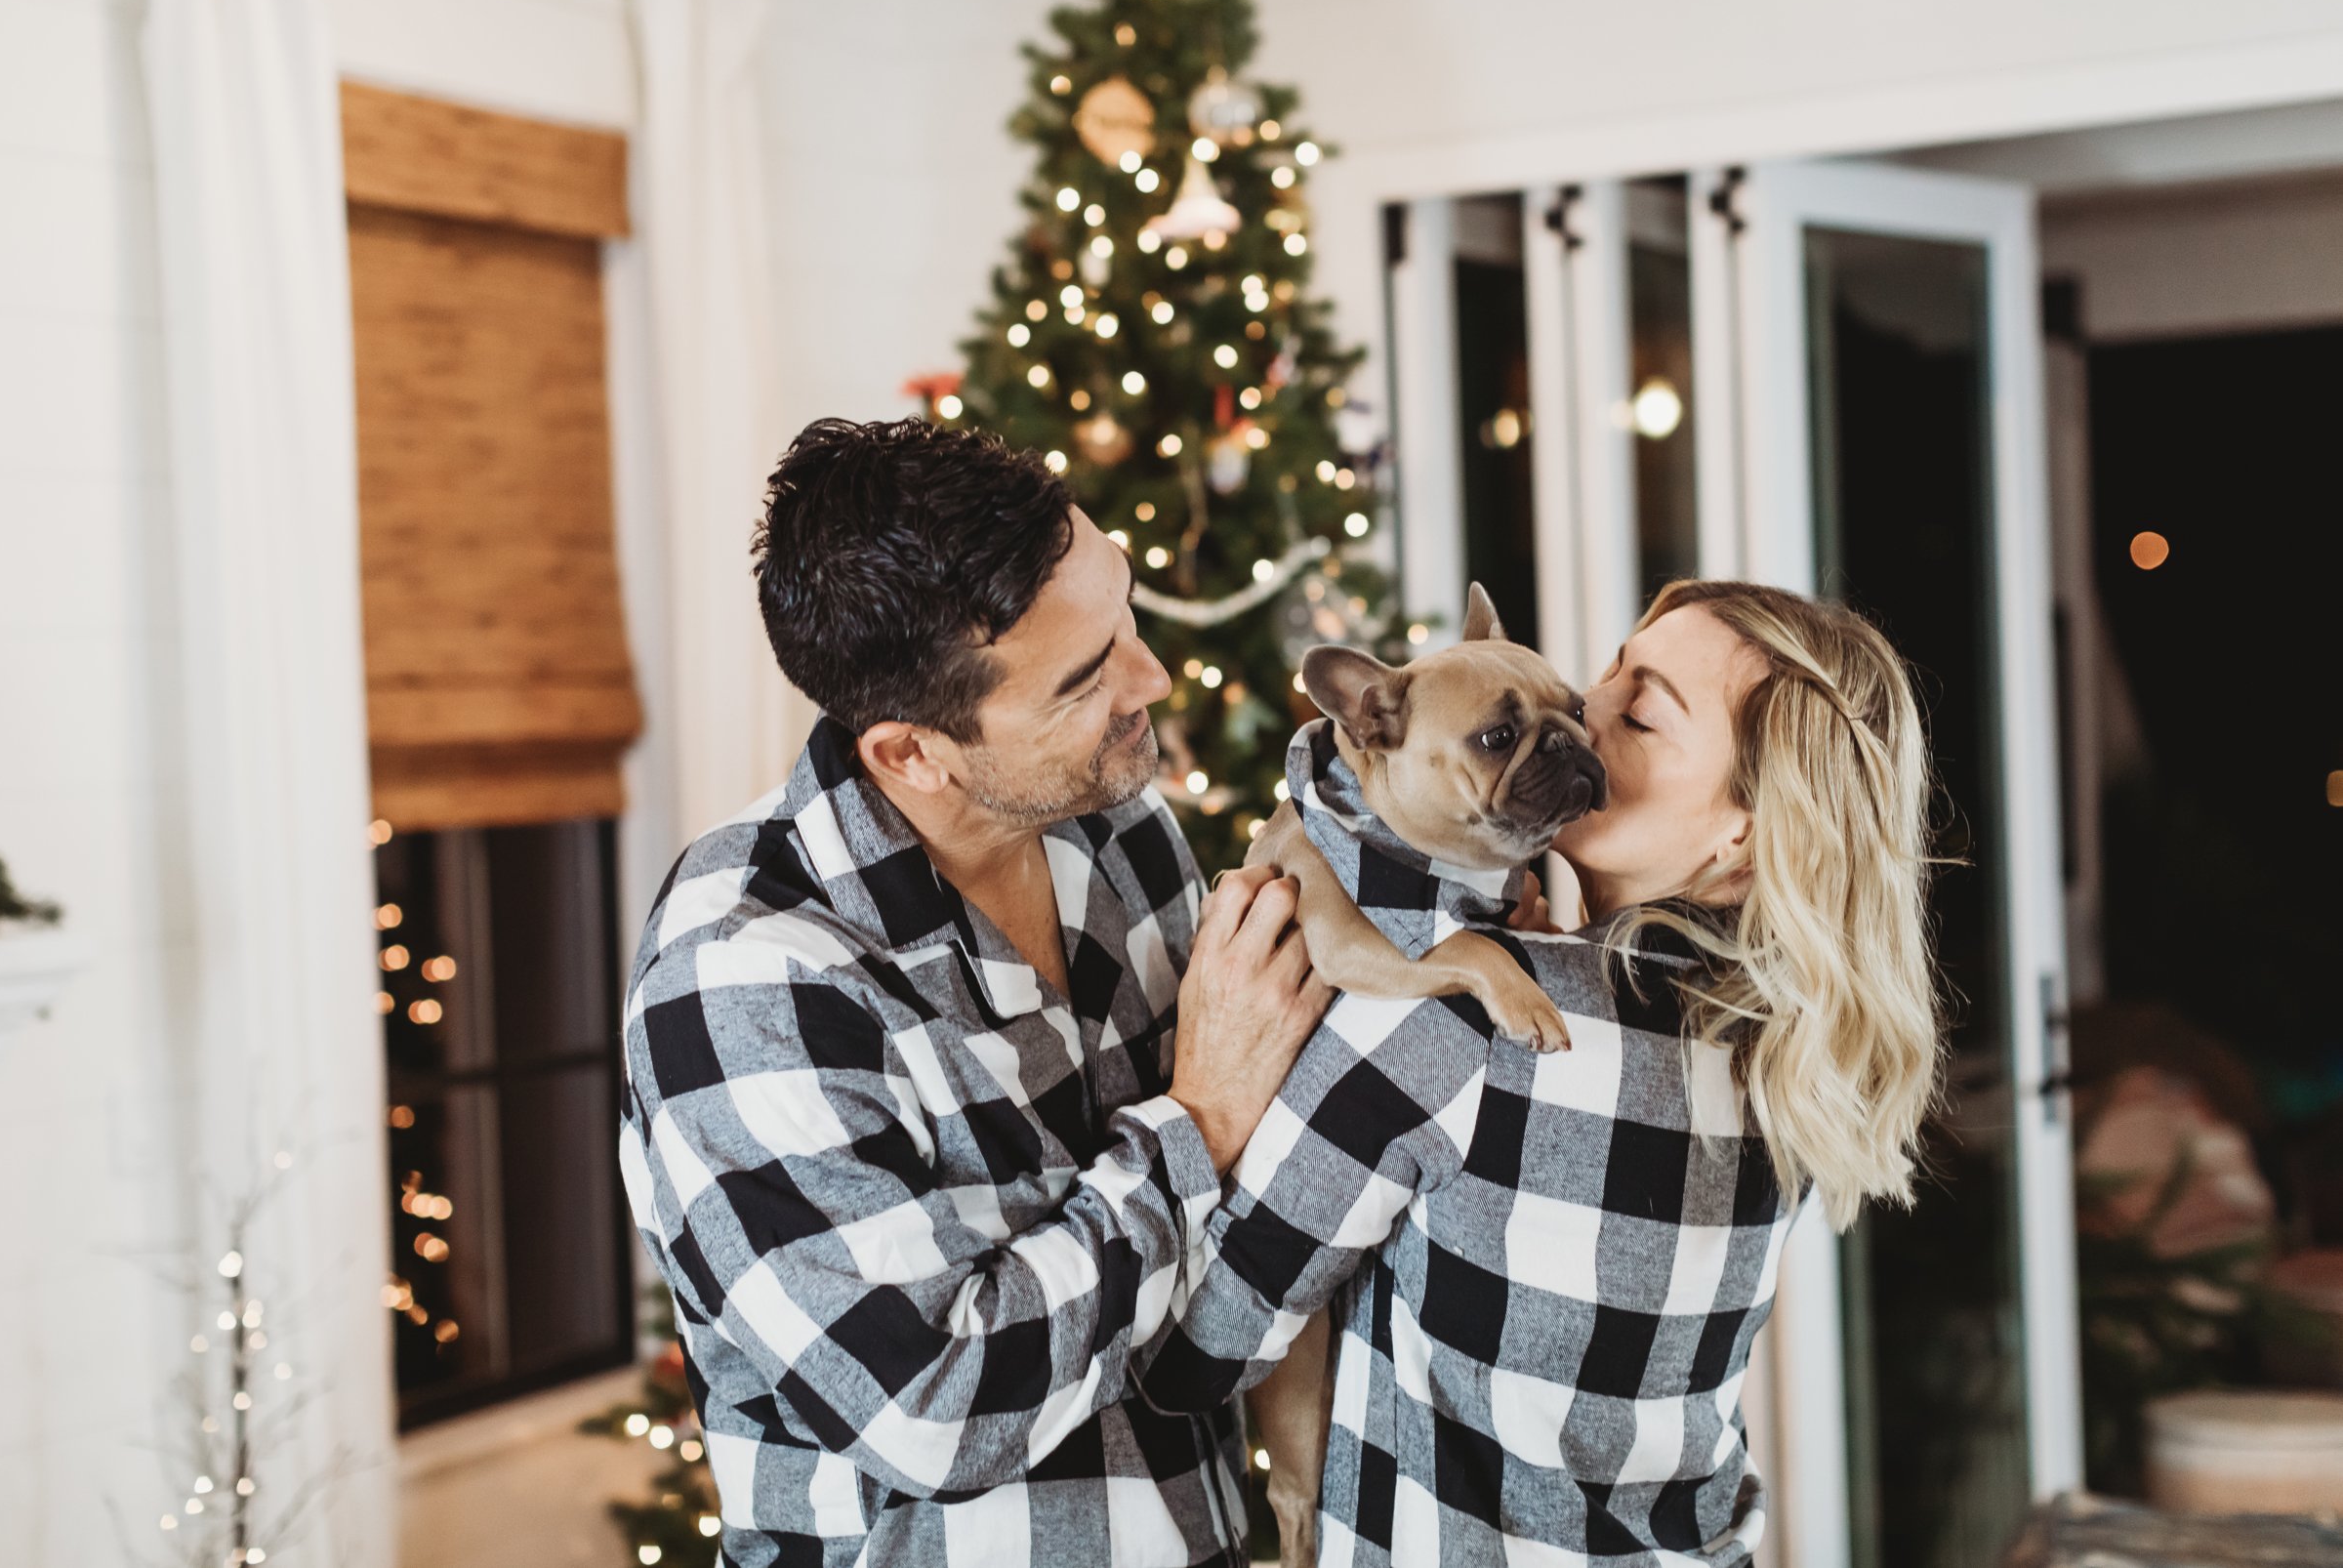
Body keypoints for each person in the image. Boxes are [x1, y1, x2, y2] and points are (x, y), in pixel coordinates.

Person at [618, 418, 1331, 1568]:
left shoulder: (1118, 828)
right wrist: (1194, 1126)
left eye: (1126, 615)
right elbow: (932, 1407)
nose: (1153, 677)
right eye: (1085, 676)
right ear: (910, 752)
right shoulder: (743, 974)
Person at [1143, 580, 1944, 1566]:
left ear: (1740, 828)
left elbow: (1195, 1349)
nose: (1587, 719)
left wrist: (1200, 1090)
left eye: (1640, 711)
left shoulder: (1464, 1016)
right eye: (1602, 675)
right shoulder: (1792, 1057)